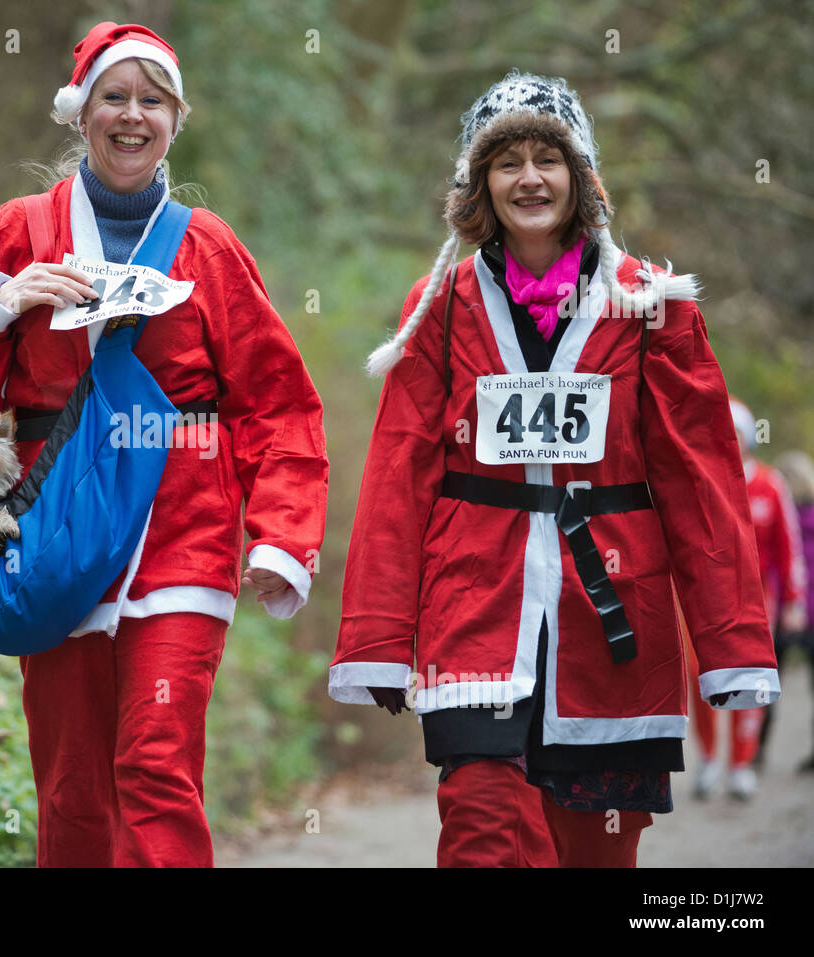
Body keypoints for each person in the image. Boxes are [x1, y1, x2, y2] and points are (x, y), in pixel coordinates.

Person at [330, 71, 779, 867]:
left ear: (582, 177)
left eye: (549, 158)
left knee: (593, 852)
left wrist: (731, 643)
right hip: (473, 605)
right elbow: (399, 476)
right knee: (480, 827)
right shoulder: (439, 307)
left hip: (612, 620)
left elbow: (699, 482)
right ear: (481, 184)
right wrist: (378, 636)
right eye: (507, 162)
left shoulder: (651, 304)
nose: (529, 178)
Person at [0, 22, 328, 867]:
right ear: (81, 113)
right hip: (54, 530)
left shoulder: (208, 244)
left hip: (184, 535)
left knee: (156, 762)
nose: (132, 116)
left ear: (177, 119)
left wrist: (283, 536)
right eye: (114, 97)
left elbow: (278, 402)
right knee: (70, 779)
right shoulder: (20, 228)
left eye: (152, 100)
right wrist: (4, 296)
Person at [689, 400, 805, 797]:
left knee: (750, 683)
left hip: (756, 603)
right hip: (703, 602)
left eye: (735, 433)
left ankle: (741, 764)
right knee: (699, 678)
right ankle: (707, 760)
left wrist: (794, 600)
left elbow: (790, 548)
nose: (729, 440)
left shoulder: (770, 484)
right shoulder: (702, 481)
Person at [773, 449, 814, 771]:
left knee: (769, 685)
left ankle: (756, 750)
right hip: (797, 612)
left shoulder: (785, 521)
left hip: (789, 613)